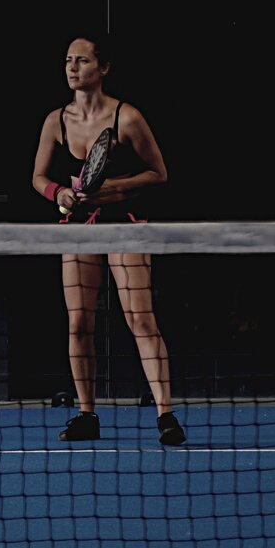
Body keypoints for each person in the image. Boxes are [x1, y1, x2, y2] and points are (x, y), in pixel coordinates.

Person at [29, 36, 183, 445]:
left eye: (82, 60)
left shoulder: (127, 118)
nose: (72, 67)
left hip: (125, 225)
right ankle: (86, 414)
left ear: (104, 67)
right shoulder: (55, 121)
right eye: (67, 60)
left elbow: (159, 172)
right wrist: (58, 193)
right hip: (78, 228)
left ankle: (166, 415)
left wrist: (114, 185)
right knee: (79, 323)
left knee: (140, 319)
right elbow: (38, 177)